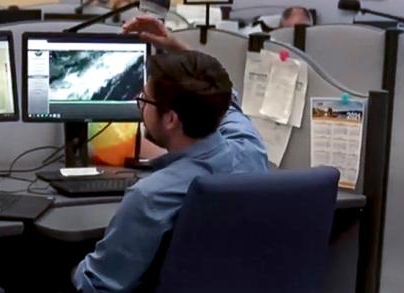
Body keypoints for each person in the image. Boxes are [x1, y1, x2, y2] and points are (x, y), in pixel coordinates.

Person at [72, 16, 270, 292]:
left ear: (171, 120)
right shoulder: (251, 149)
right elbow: (227, 101)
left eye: (144, 101)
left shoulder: (150, 197)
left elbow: (98, 285)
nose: (141, 108)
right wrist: (180, 52)